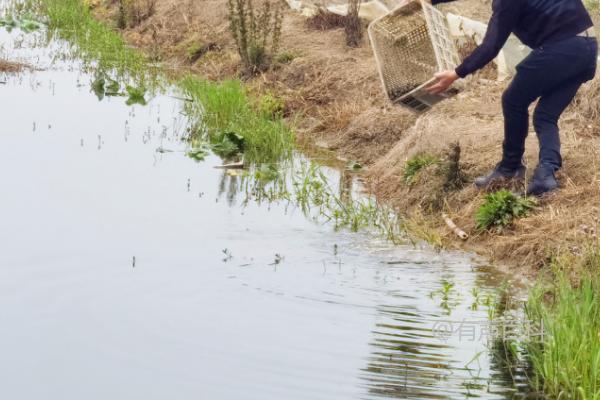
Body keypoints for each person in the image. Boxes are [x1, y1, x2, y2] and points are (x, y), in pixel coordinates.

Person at [426, 0, 598, 196]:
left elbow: (491, 45)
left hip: (562, 47)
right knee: (545, 116)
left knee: (513, 100)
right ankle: (546, 174)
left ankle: (510, 167)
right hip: (587, 49)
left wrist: (457, 73)